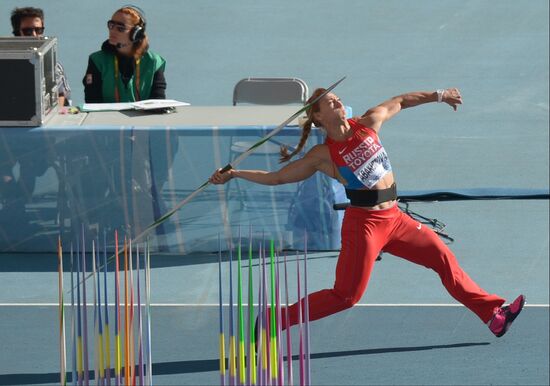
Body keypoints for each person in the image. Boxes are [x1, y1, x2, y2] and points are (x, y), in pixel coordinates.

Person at [210, 87, 525, 338]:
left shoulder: (369, 121)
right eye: (328, 102)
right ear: (318, 117)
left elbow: (400, 101)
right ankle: (276, 320)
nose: (337, 101)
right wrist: (236, 174)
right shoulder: (323, 155)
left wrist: (439, 96)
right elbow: (277, 178)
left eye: (336, 98)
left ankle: (493, 315)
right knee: (346, 296)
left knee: (444, 259)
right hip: (364, 226)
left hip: (396, 220)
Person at [82, 5, 166, 103]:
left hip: (144, 118)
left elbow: (158, 101)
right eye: (111, 25)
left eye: (120, 28)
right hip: (106, 117)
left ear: (136, 33)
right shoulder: (97, 60)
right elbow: (92, 100)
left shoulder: (154, 62)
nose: (112, 31)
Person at [10, 6, 72, 107]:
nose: (34, 35)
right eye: (28, 31)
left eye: (38, 30)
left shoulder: (54, 66)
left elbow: (62, 95)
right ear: (17, 33)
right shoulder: (5, 64)